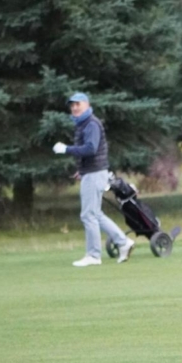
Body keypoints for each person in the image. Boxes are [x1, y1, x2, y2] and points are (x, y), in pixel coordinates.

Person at [53, 92, 134, 266]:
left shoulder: (91, 123)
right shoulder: (84, 124)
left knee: (88, 215)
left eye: (78, 104)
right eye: (72, 105)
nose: (74, 108)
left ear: (87, 105)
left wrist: (66, 149)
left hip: (95, 173)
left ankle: (94, 255)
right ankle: (123, 242)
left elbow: (91, 149)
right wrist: (81, 170)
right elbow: (90, 152)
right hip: (92, 172)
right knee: (95, 214)